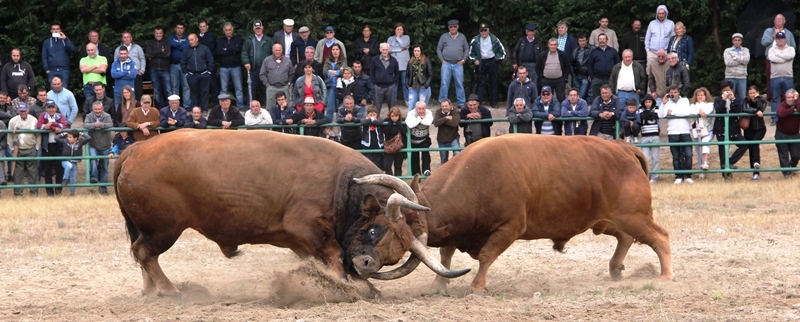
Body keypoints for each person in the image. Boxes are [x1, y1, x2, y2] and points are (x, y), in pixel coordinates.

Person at [658, 84, 693, 184]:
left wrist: (672, 112)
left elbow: (686, 112)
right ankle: (678, 176)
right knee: (676, 156)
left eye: (675, 92)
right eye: (671, 93)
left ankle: (688, 176)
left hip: (685, 131)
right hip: (673, 132)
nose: (673, 94)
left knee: (688, 154)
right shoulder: (667, 102)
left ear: (679, 92)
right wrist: (663, 104)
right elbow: (661, 115)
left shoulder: (685, 100)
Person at [713, 82, 748, 179]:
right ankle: (726, 175)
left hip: (733, 128)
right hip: (721, 128)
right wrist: (724, 100)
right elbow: (718, 110)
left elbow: (738, 111)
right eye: (724, 90)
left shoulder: (736, 99)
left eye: (728, 90)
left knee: (744, 144)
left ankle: (730, 162)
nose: (726, 92)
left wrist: (733, 99)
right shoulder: (718, 99)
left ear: (732, 90)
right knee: (723, 150)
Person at [761, 14, 797, 108]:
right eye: (777, 19)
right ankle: (772, 103)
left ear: (784, 21)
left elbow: (793, 47)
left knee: (788, 91)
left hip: (786, 64)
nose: (779, 20)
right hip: (771, 61)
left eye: (781, 19)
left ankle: (785, 108)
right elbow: (764, 42)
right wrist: (773, 36)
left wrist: (782, 56)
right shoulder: (769, 31)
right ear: (774, 21)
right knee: (772, 83)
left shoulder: (789, 33)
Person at [469, 22, 506, 109]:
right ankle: (479, 103)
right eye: (482, 30)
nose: (483, 32)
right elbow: (471, 53)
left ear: (488, 30)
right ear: (479, 31)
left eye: (485, 30)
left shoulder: (494, 39)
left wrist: (496, 58)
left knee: (493, 82)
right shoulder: (475, 40)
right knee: (481, 83)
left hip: (492, 61)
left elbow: (502, 52)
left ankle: (494, 102)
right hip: (481, 62)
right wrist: (475, 60)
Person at [6, 104, 40, 196]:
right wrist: (12, 148)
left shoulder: (34, 120)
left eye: (24, 110)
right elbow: (9, 135)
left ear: (28, 110)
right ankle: (18, 193)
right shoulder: (13, 121)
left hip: (31, 148)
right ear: (18, 111)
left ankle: (34, 192)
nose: (23, 112)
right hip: (18, 149)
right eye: (21, 111)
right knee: (18, 173)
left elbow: (38, 135)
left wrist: (37, 147)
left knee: (33, 172)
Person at [437, 20, 469, 108]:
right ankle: (443, 103)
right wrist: (442, 60)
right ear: (448, 27)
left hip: (458, 64)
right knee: (444, 83)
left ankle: (461, 103)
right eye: (451, 27)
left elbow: (466, 49)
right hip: (446, 63)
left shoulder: (462, 37)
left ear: (458, 26)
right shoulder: (444, 36)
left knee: (459, 83)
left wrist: (463, 60)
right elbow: (439, 49)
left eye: (455, 26)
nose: (453, 28)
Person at [82, 101, 113, 194]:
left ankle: (103, 188)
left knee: (104, 166)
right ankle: (94, 177)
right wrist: (94, 125)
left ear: (102, 109)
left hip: (105, 145)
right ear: (93, 109)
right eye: (96, 109)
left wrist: (101, 125)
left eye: (99, 109)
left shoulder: (107, 116)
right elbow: (85, 125)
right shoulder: (89, 116)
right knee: (93, 160)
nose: (98, 111)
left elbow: (110, 124)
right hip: (93, 144)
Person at [37, 100, 66, 196]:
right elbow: (39, 126)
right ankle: (49, 192)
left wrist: (52, 126)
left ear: (56, 108)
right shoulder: (42, 116)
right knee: (47, 170)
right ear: (46, 108)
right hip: (47, 146)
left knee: (59, 169)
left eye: (53, 107)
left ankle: (58, 189)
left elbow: (64, 125)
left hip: (58, 145)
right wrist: (46, 127)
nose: (51, 109)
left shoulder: (60, 116)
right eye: (49, 107)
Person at [242, 19, 273, 105]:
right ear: (253, 28)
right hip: (253, 69)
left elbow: (273, 53)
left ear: (262, 28)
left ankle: (268, 105)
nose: (258, 29)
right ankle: (250, 106)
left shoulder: (268, 40)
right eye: (256, 28)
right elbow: (244, 52)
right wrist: (246, 62)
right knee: (251, 88)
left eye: (259, 28)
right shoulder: (249, 40)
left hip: (266, 70)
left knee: (266, 88)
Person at [768, 31, 795, 126]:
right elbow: (772, 59)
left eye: (782, 38)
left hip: (788, 76)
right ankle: (775, 118)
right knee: (775, 99)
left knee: (790, 98)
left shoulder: (791, 49)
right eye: (778, 39)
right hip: (775, 77)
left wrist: (779, 55)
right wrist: (784, 58)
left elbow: (791, 56)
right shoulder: (771, 50)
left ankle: (790, 116)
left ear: (785, 39)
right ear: (776, 40)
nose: (780, 40)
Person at [181, 33, 214, 111]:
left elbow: (210, 60)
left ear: (197, 39)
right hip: (192, 75)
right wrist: (186, 73)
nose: (190, 42)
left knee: (204, 92)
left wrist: (209, 71)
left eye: (192, 40)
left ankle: (204, 109)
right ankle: (195, 110)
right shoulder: (186, 50)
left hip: (204, 74)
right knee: (194, 93)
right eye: (189, 40)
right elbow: (183, 62)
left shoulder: (205, 48)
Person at [742, 85, 768, 180]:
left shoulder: (762, 99)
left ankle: (756, 165)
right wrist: (755, 111)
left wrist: (757, 99)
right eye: (750, 93)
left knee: (754, 143)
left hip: (760, 128)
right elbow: (744, 109)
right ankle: (754, 171)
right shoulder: (745, 100)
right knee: (751, 148)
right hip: (748, 128)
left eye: (754, 93)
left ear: (757, 92)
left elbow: (762, 108)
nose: (752, 95)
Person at [217, 22, 245, 110]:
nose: (228, 32)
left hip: (236, 66)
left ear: (232, 30)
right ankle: (223, 106)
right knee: (223, 89)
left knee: (238, 87)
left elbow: (238, 49)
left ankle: (240, 105)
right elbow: (219, 52)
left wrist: (226, 50)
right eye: (226, 30)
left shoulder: (238, 39)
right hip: (223, 67)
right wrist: (232, 51)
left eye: (229, 30)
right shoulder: (220, 40)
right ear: (224, 31)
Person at [54, 130, 91, 195]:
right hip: (65, 160)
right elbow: (56, 138)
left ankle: (72, 193)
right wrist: (62, 134)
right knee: (69, 166)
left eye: (70, 137)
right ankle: (65, 179)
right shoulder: (65, 141)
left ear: (76, 138)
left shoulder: (80, 142)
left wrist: (81, 133)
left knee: (73, 177)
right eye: (68, 137)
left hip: (74, 161)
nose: (68, 138)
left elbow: (88, 138)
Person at [260, 43, 295, 110]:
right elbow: (262, 74)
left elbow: (292, 73)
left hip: (284, 87)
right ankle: (271, 120)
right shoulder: (267, 60)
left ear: (282, 50)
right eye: (276, 50)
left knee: (286, 106)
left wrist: (289, 83)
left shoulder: (288, 60)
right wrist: (267, 84)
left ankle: (285, 119)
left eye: (279, 50)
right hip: (271, 87)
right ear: (273, 50)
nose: (278, 52)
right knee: (270, 108)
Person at [536, 38, 570, 103]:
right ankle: (548, 112)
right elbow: (537, 68)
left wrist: (564, 77)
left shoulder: (563, 55)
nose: (553, 46)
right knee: (547, 98)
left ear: (557, 45)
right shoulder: (542, 55)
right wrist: (541, 78)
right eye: (551, 45)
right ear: (548, 45)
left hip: (559, 80)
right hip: (546, 80)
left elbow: (567, 67)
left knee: (561, 98)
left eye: (555, 45)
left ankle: (561, 112)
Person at [114, 32, 146, 100]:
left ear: (131, 38)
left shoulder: (138, 48)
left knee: (138, 94)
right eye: (124, 37)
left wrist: (141, 71)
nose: (126, 39)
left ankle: (137, 110)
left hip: (136, 74)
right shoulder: (117, 50)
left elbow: (142, 59)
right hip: (122, 77)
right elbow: (115, 63)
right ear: (122, 39)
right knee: (124, 95)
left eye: (128, 37)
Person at [775, 89, 800, 178]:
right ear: (785, 98)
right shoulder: (783, 104)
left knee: (796, 155)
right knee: (783, 155)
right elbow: (780, 113)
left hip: (795, 134)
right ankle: (787, 174)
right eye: (788, 97)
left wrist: (797, 100)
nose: (790, 99)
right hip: (782, 133)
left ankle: (792, 166)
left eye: (793, 97)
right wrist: (793, 110)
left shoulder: (798, 103)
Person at [690, 87, 715, 176]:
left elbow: (707, 111)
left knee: (705, 143)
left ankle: (705, 162)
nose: (700, 97)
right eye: (698, 95)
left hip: (707, 129)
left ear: (705, 96)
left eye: (702, 95)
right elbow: (691, 112)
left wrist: (700, 110)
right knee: (697, 149)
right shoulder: (692, 105)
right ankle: (701, 170)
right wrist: (699, 110)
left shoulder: (710, 104)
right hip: (695, 129)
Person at [146, 27, 172, 108]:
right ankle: (160, 108)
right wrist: (160, 51)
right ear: (154, 34)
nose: (158, 35)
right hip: (154, 70)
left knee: (168, 90)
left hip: (165, 70)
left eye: (160, 33)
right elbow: (148, 55)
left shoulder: (167, 42)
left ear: (162, 33)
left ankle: (170, 107)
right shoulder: (150, 43)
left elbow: (167, 54)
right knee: (157, 91)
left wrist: (154, 54)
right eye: (157, 33)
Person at [588, 34, 620, 99]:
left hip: (610, 78)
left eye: (603, 39)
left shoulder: (613, 51)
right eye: (600, 39)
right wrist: (592, 77)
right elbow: (590, 65)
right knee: (597, 98)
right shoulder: (594, 52)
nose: (601, 41)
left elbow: (618, 64)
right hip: (597, 78)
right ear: (598, 40)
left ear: (607, 40)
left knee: (611, 96)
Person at [645, 5, 675, 76]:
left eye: (662, 13)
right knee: (650, 72)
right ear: (657, 14)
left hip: (665, 52)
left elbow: (673, 39)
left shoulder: (671, 23)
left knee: (666, 72)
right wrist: (647, 51)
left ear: (666, 13)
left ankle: (664, 87)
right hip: (652, 53)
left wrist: (669, 52)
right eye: (659, 13)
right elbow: (647, 38)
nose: (661, 15)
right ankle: (651, 87)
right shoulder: (652, 23)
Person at [371, 43, 399, 114]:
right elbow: (371, 72)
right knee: (376, 108)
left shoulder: (394, 60)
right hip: (378, 86)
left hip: (390, 87)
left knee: (392, 108)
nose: (385, 51)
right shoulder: (374, 59)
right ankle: (375, 123)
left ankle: (392, 123)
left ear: (389, 50)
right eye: (383, 49)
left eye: (386, 49)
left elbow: (397, 73)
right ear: (380, 50)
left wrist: (394, 84)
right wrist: (374, 84)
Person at [512, 23, 542, 89]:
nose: (530, 33)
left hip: (533, 65)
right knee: (520, 82)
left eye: (532, 31)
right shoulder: (521, 40)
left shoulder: (538, 42)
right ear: (526, 32)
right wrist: (514, 62)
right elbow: (515, 51)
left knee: (534, 83)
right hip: (522, 64)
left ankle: (534, 98)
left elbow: (541, 55)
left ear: (535, 32)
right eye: (529, 31)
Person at [406, 101, 433, 176]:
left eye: (423, 109)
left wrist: (417, 120)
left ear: (425, 108)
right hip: (413, 140)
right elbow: (410, 124)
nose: (421, 111)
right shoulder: (411, 113)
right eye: (419, 109)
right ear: (416, 109)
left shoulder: (429, 112)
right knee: (414, 157)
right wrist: (420, 118)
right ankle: (416, 174)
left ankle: (426, 170)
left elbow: (428, 122)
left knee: (426, 155)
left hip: (424, 139)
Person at [638, 94, 661, 183]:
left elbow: (657, 115)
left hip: (655, 135)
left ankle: (654, 176)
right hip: (645, 136)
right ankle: (645, 175)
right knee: (645, 158)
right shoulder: (640, 109)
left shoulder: (657, 107)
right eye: (646, 102)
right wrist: (649, 113)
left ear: (652, 102)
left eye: (649, 102)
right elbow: (641, 116)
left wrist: (648, 113)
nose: (648, 104)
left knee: (655, 158)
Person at [169, 23, 191, 108]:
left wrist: (176, 46)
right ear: (175, 28)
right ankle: (175, 106)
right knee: (175, 87)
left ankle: (187, 106)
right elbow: (172, 45)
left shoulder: (186, 38)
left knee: (186, 86)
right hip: (173, 66)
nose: (179, 29)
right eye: (178, 28)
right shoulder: (170, 38)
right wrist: (182, 45)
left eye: (181, 28)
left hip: (185, 66)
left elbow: (187, 47)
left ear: (184, 29)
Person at [322, 43, 346, 120]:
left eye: (337, 49)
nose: (335, 51)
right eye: (333, 50)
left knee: (340, 108)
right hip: (330, 86)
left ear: (340, 51)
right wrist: (338, 71)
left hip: (340, 87)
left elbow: (344, 72)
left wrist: (333, 72)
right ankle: (329, 128)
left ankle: (340, 128)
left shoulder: (343, 60)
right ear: (331, 51)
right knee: (330, 107)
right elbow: (325, 72)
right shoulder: (327, 61)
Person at [723, 33, 750, 101]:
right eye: (735, 40)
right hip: (730, 76)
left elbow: (746, 60)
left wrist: (734, 57)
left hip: (742, 77)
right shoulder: (727, 50)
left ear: (741, 41)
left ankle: (742, 111)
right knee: (729, 97)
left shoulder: (746, 50)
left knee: (742, 98)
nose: (737, 42)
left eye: (739, 40)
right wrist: (741, 60)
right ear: (732, 41)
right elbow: (728, 63)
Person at [389, 23, 411, 104]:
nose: (399, 31)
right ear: (394, 30)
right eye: (397, 29)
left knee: (405, 82)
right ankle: (393, 100)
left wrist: (398, 38)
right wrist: (401, 49)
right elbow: (389, 49)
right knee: (394, 82)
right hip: (394, 63)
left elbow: (404, 44)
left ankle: (407, 100)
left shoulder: (406, 37)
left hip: (404, 64)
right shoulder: (390, 39)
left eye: (401, 29)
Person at [433, 98, 460, 163]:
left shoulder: (455, 111)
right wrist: (446, 118)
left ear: (450, 105)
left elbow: (455, 123)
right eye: (443, 106)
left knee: (457, 155)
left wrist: (441, 120)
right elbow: (436, 123)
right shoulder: (438, 111)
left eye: (446, 106)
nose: (444, 108)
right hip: (442, 139)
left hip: (453, 138)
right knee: (444, 159)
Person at [406, 44, 433, 111]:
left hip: (423, 87)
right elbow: (407, 75)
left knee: (422, 107)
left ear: (421, 52)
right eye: (415, 51)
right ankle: (410, 120)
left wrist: (426, 85)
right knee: (411, 107)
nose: (416, 53)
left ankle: (422, 120)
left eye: (418, 51)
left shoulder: (426, 61)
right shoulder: (410, 62)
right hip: (413, 87)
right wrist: (407, 85)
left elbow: (431, 74)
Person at [382, 106, 407, 176]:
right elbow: (385, 132)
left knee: (398, 166)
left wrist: (398, 123)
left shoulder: (403, 121)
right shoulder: (386, 121)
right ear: (389, 115)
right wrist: (391, 123)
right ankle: (391, 180)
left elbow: (405, 132)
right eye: (392, 116)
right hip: (389, 147)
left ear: (399, 115)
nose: (394, 118)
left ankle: (397, 182)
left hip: (400, 147)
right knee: (387, 165)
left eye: (396, 116)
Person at [571, 33, 593, 101]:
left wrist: (590, 73)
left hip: (586, 74)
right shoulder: (576, 50)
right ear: (578, 41)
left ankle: (577, 102)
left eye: (583, 40)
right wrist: (573, 73)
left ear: (587, 40)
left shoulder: (592, 49)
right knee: (577, 91)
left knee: (582, 93)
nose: (582, 42)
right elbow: (571, 62)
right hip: (576, 74)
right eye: (580, 41)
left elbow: (594, 63)